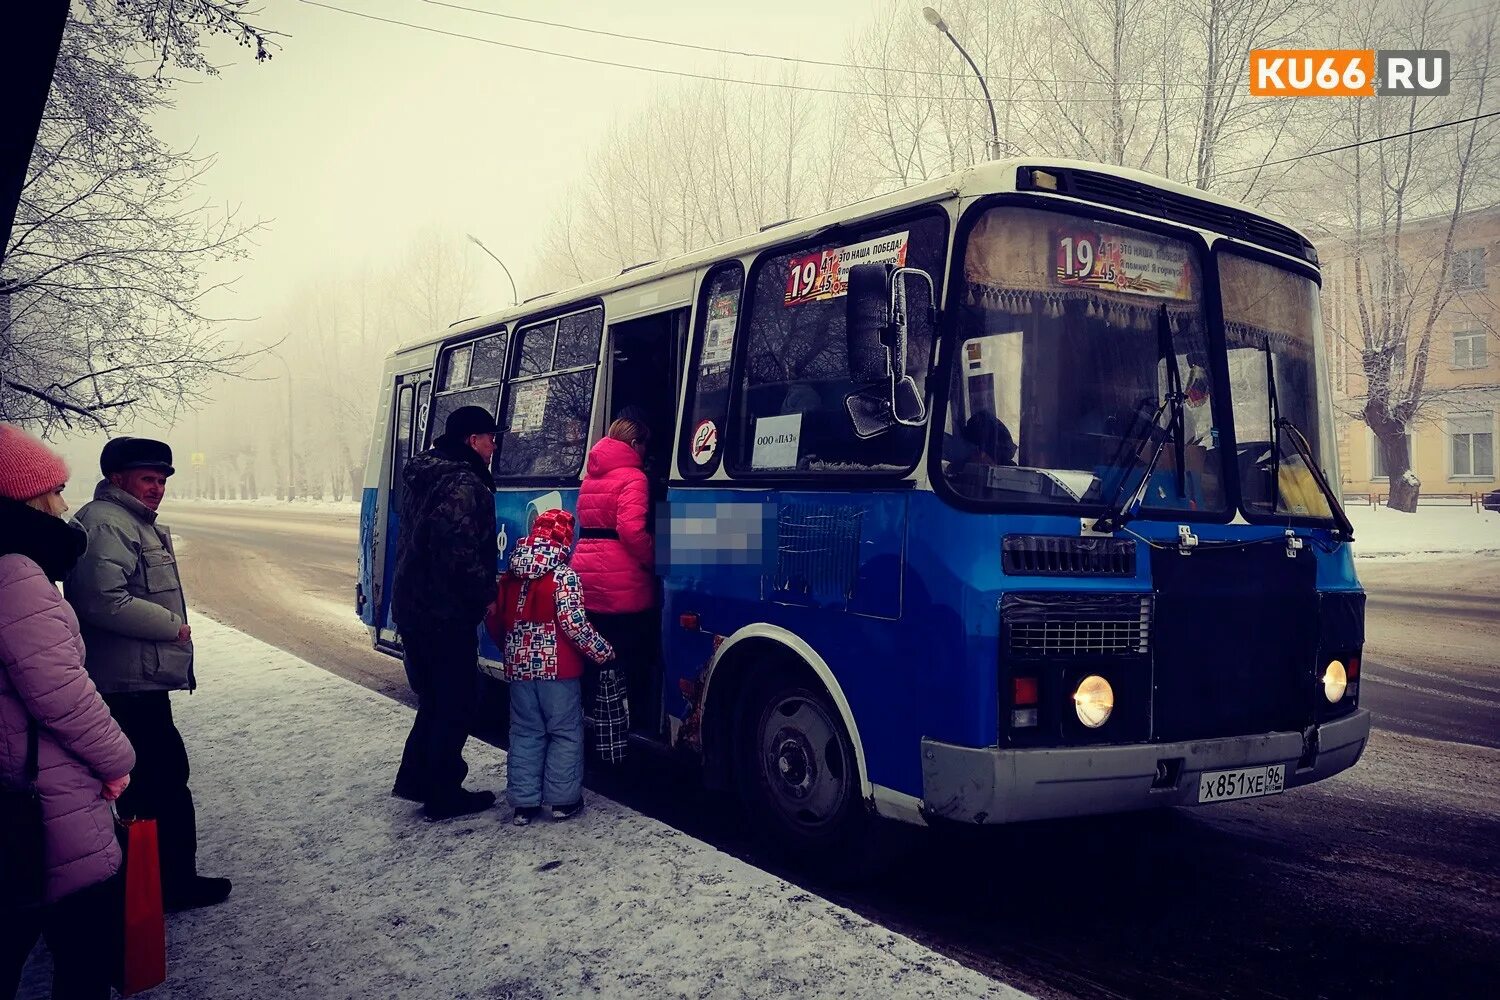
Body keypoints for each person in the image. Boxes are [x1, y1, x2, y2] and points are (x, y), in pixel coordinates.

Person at [64, 436, 230, 912]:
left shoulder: (128, 520)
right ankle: (170, 885)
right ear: (118, 478)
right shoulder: (107, 524)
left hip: (140, 680)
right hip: (128, 685)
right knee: (160, 784)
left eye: (161, 480)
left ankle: (158, 882)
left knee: (157, 783)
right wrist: (172, 627)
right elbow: (100, 599)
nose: (157, 488)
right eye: (147, 478)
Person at [0, 425, 136, 1000]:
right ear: (21, 502)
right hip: (50, 792)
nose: (62, 505)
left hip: (21, 776)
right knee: (82, 948)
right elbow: (61, 693)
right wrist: (119, 758)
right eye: (51, 492)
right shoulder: (16, 574)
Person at [390, 406, 500, 820]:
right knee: (456, 701)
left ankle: (418, 779)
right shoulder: (461, 482)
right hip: (444, 610)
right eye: (490, 437)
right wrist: (484, 592)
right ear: (472, 441)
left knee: (435, 699)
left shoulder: (427, 473)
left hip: (416, 606)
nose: (493, 446)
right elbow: (456, 548)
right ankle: (443, 792)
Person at [487, 509, 613, 825]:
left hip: (519, 672)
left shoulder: (510, 576)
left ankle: (524, 806)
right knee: (565, 733)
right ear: (564, 540)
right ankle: (562, 801)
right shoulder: (563, 577)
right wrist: (604, 653)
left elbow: (495, 620)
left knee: (525, 732)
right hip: (559, 672)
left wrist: (511, 650)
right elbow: (575, 626)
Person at [572, 414, 656, 764]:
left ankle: (598, 728)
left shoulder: (590, 475)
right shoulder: (634, 477)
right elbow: (632, 531)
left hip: (587, 573)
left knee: (597, 658)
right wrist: (657, 558)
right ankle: (624, 734)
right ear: (636, 444)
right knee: (633, 660)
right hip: (624, 579)